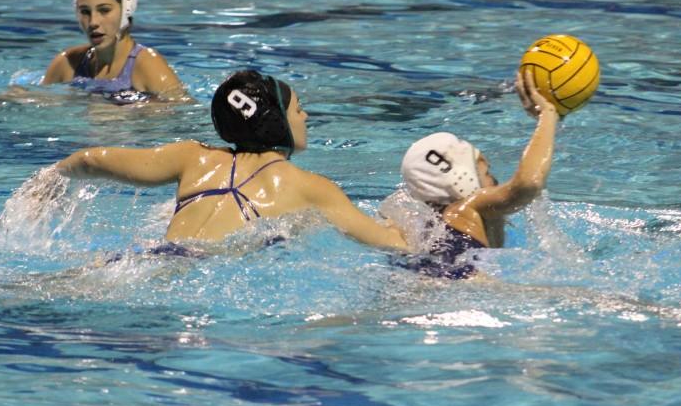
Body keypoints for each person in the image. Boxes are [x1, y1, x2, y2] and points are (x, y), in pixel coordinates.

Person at [54, 69, 408, 253]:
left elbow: (89, 160)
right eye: (298, 109)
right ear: (278, 123)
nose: (306, 116)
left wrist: (48, 183)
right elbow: (394, 245)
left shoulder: (193, 157)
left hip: (144, 260)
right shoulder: (311, 188)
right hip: (196, 281)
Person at [388, 70, 559, 278]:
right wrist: (548, 115)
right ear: (462, 180)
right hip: (462, 291)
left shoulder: (429, 228)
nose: (495, 182)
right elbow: (528, 184)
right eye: (487, 172)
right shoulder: (467, 208)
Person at [42, 0, 186, 104]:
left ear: (126, 9)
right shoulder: (67, 63)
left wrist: (129, 112)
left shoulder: (147, 64)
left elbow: (186, 113)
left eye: (104, 10)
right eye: (85, 12)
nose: (93, 22)